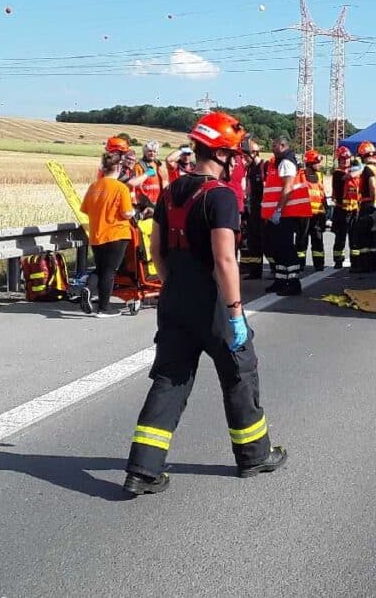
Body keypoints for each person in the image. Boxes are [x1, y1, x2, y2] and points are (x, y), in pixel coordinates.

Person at [123, 111, 287, 496]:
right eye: (234, 153)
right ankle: (254, 456)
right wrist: (234, 313)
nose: (237, 160)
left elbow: (156, 249)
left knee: (169, 379)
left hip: (175, 299)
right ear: (221, 153)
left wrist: (172, 285)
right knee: (239, 372)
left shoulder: (170, 192)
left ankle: (143, 470)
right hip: (213, 303)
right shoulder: (221, 196)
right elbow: (225, 260)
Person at [80, 150, 135, 318]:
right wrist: (133, 212)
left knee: (101, 268)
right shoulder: (121, 188)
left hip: (97, 234)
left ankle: (88, 289)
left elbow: (85, 209)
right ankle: (104, 309)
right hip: (116, 234)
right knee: (110, 271)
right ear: (119, 167)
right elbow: (126, 213)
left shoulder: (94, 186)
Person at [261, 136, 310, 296]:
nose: (272, 148)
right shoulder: (280, 162)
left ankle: (293, 282)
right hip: (279, 214)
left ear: (282, 145)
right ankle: (281, 280)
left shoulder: (286, 162)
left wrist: (279, 210)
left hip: (285, 214)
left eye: (274, 145)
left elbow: (287, 188)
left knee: (286, 248)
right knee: (278, 248)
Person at [352, 141, 376, 273]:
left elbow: (372, 185)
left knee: (363, 236)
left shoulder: (368, 168)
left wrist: (373, 201)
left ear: (362, 155)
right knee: (373, 237)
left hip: (368, 205)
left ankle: (363, 265)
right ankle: (373, 265)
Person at [239, 135, 265, 279]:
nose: (244, 159)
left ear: (253, 153)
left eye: (245, 156)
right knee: (253, 241)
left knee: (264, 240)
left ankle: (273, 268)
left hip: (262, 210)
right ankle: (255, 271)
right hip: (253, 209)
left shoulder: (262, 167)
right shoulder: (251, 169)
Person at [299, 149, 328, 271]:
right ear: (310, 163)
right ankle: (300, 264)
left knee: (317, 239)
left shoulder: (319, 175)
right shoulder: (300, 175)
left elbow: (322, 194)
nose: (319, 165)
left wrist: (326, 210)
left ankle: (319, 264)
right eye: (317, 162)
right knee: (302, 239)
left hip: (318, 214)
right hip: (304, 213)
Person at [330, 146, 355, 268]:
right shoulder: (338, 173)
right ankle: (338, 260)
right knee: (340, 237)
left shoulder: (352, 172)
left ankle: (355, 261)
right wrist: (360, 167)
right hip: (341, 210)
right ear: (338, 160)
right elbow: (348, 177)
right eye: (342, 159)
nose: (345, 161)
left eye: (347, 158)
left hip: (353, 209)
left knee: (354, 237)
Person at [131, 140, 164, 213]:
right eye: (149, 151)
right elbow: (134, 185)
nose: (152, 153)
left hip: (157, 202)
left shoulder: (157, 165)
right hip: (144, 203)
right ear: (144, 152)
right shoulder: (138, 166)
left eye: (154, 151)